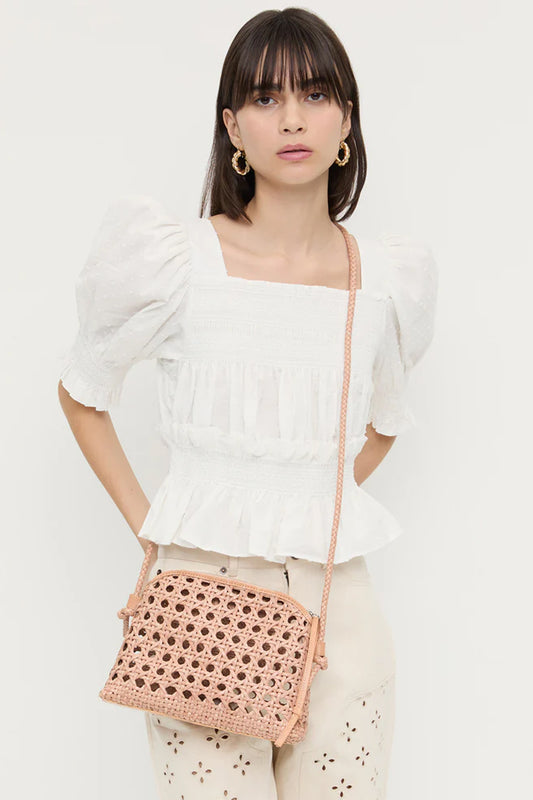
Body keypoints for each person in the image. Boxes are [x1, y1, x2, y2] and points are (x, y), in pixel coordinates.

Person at [58, 8, 438, 799]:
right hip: (199, 608)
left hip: (341, 615)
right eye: (265, 98)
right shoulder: (176, 262)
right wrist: (154, 529)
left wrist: (305, 499)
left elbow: (383, 425)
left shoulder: (384, 279)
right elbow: (82, 392)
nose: (292, 119)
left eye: (314, 95)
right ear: (232, 125)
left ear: (346, 121)